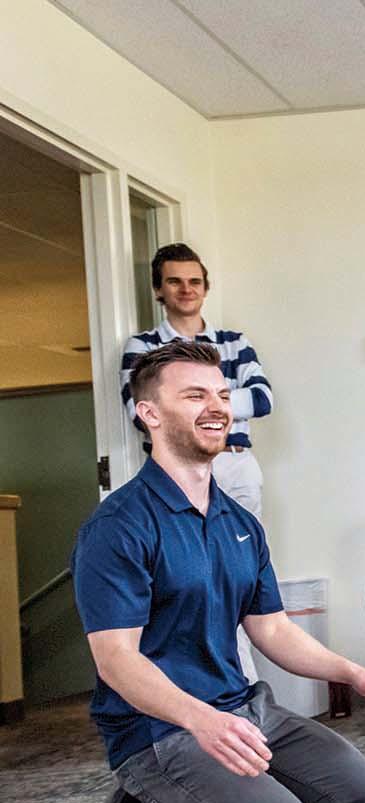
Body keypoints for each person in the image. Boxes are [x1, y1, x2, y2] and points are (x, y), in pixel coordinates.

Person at [75, 341, 365, 803]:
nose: (216, 407)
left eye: (222, 394)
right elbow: (116, 660)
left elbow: (271, 629)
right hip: (161, 730)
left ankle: (231, 799)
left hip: (243, 710)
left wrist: (355, 673)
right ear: (150, 413)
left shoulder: (239, 522)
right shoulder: (118, 527)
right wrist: (200, 720)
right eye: (194, 395)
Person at [121, 243, 275, 681]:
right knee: (193, 584)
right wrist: (226, 401)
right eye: (174, 281)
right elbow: (136, 409)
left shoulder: (234, 341)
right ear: (158, 290)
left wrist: (196, 405)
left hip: (236, 467)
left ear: (205, 288)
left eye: (194, 281)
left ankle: (246, 688)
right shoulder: (144, 346)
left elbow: (264, 400)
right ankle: (210, 690)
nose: (186, 290)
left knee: (242, 584)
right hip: (178, 475)